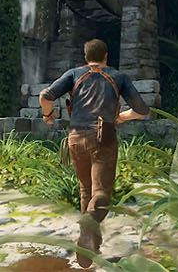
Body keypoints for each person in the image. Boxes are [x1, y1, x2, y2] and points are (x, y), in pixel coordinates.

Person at [38, 39, 149, 268]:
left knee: (85, 190)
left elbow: (45, 96)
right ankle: (89, 227)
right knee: (101, 193)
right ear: (106, 56)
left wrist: (48, 117)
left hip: (75, 137)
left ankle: (91, 246)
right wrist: (120, 117)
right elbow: (142, 110)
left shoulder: (73, 73)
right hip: (104, 136)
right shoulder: (118, 77)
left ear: (85, 56)